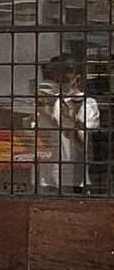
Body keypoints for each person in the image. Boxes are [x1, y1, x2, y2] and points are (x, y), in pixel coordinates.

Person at [34, 54, 101, 194]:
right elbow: (42, 137)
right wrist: (44, 113)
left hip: (74, 178)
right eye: (53, 77)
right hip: (49, 176)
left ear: (77, 78)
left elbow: (83, 142)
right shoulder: (54, 102)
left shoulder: (88, 104)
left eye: (62, 78)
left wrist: (71, 118)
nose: (56, 82)